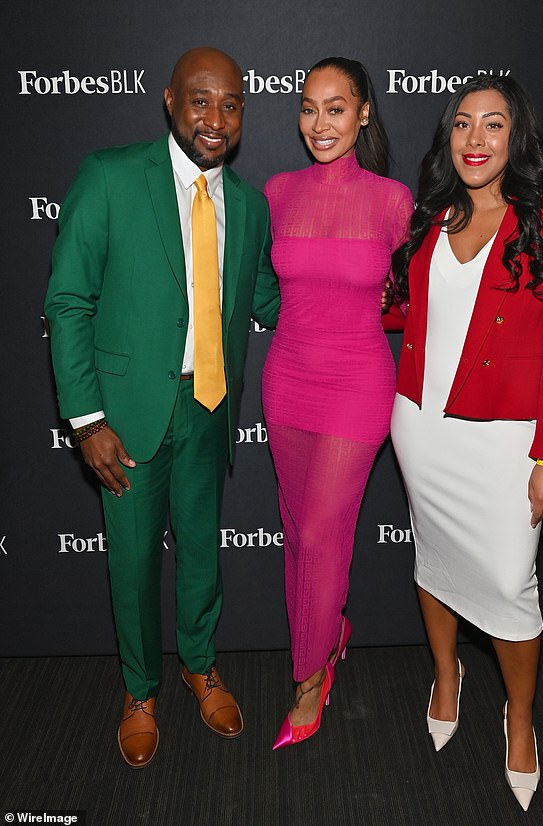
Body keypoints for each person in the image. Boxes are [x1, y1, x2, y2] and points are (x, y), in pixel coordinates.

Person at [44, 47, 280, 768]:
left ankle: (200, 666)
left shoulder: (245, 202)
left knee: (203, 553)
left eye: (231, 104)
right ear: (170, 102)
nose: (216, 118)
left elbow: (268, 298)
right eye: (201, 100)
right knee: (137, 561)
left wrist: (366, 293)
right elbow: (68, 299)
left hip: (209, 408)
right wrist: (86, 420)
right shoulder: (110, 176)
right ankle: (140, 690)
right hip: (128, 417)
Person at [389, 75, 543, 810]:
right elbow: (403, 315)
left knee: (510, 585)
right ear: (447, 137)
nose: (475, 139)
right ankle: (447, 675)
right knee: (432, 557)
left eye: (494, 125)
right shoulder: (430, 217)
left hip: (509, 442)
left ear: (517, 138)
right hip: (420, 428)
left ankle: (521, 716)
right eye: (463, 124)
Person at [262, 57, 413, 749]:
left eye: (334, 107)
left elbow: (411, 301)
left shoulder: (391, 200)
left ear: (363, 114)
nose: (318, 123)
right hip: (287, 376)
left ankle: (308, 677)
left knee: (322, 534)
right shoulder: (276, 191)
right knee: (298, 534)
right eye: (307, 107)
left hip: (357, 383)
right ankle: (333, 630)